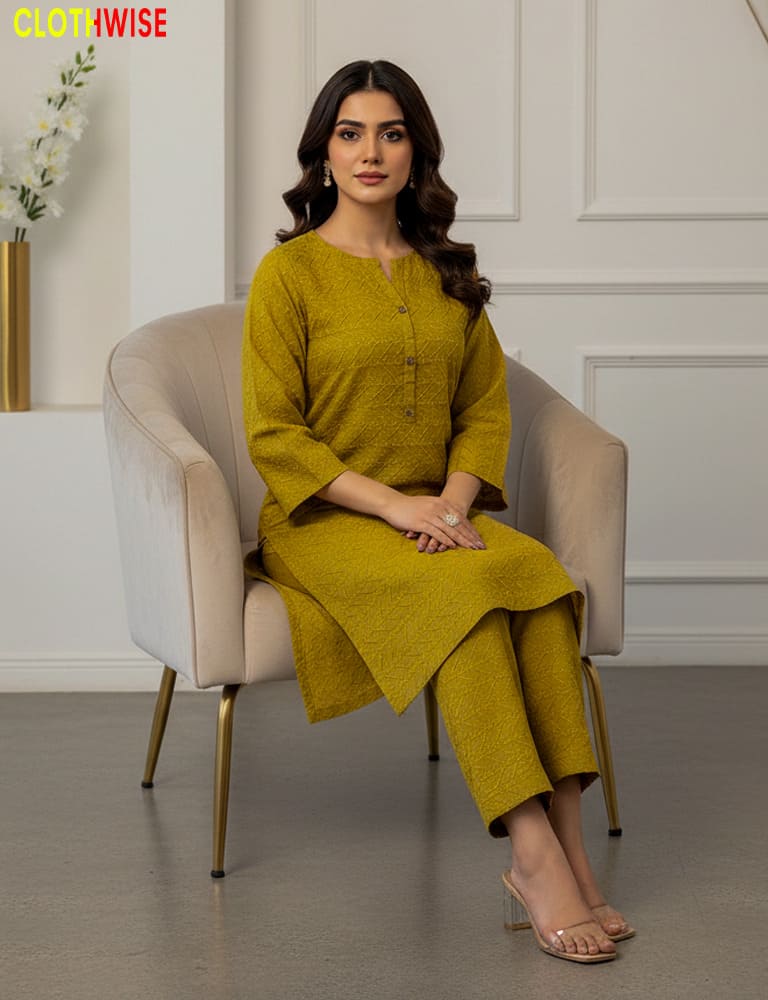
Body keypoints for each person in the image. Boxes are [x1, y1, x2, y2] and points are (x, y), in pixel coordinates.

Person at [242, 59, 633, 964]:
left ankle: (571, 845)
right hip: (326, 522)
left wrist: (452, 504)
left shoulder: (447, 272)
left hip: (435, 510)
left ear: (416, 152)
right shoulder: (288, 275)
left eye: (389, 132)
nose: (369, 151)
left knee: (531, 576)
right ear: (324, 155)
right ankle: (530, 852)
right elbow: (276, 435)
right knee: (463, 593)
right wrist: (396, 509)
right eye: (349, 133)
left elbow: (485, 409)